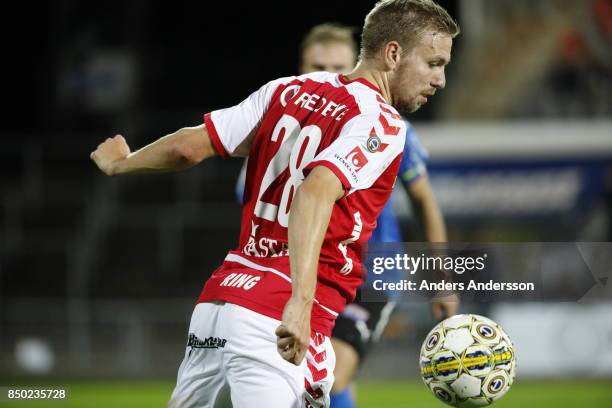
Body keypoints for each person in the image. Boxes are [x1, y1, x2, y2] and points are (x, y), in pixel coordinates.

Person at [90, 1, 459, 407]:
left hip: (219, 303)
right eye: (433, 63)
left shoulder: (284, 90)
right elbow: (314, 192)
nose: (440, 79)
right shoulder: (383, 124)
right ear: (393, 54)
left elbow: (187, 147)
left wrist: (123, 164)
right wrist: (300, 302)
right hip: (278, 318)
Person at [234, 23, 450, 408]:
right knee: (286, 373)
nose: (328, 72)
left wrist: (440, 276)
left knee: (326, 377)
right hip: (299, 271)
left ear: (354, 64)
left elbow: (424, 202)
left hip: (370, 273)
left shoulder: (386, 126)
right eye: (318, 65)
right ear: (299, 68)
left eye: (337, 64)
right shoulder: (276, 133)